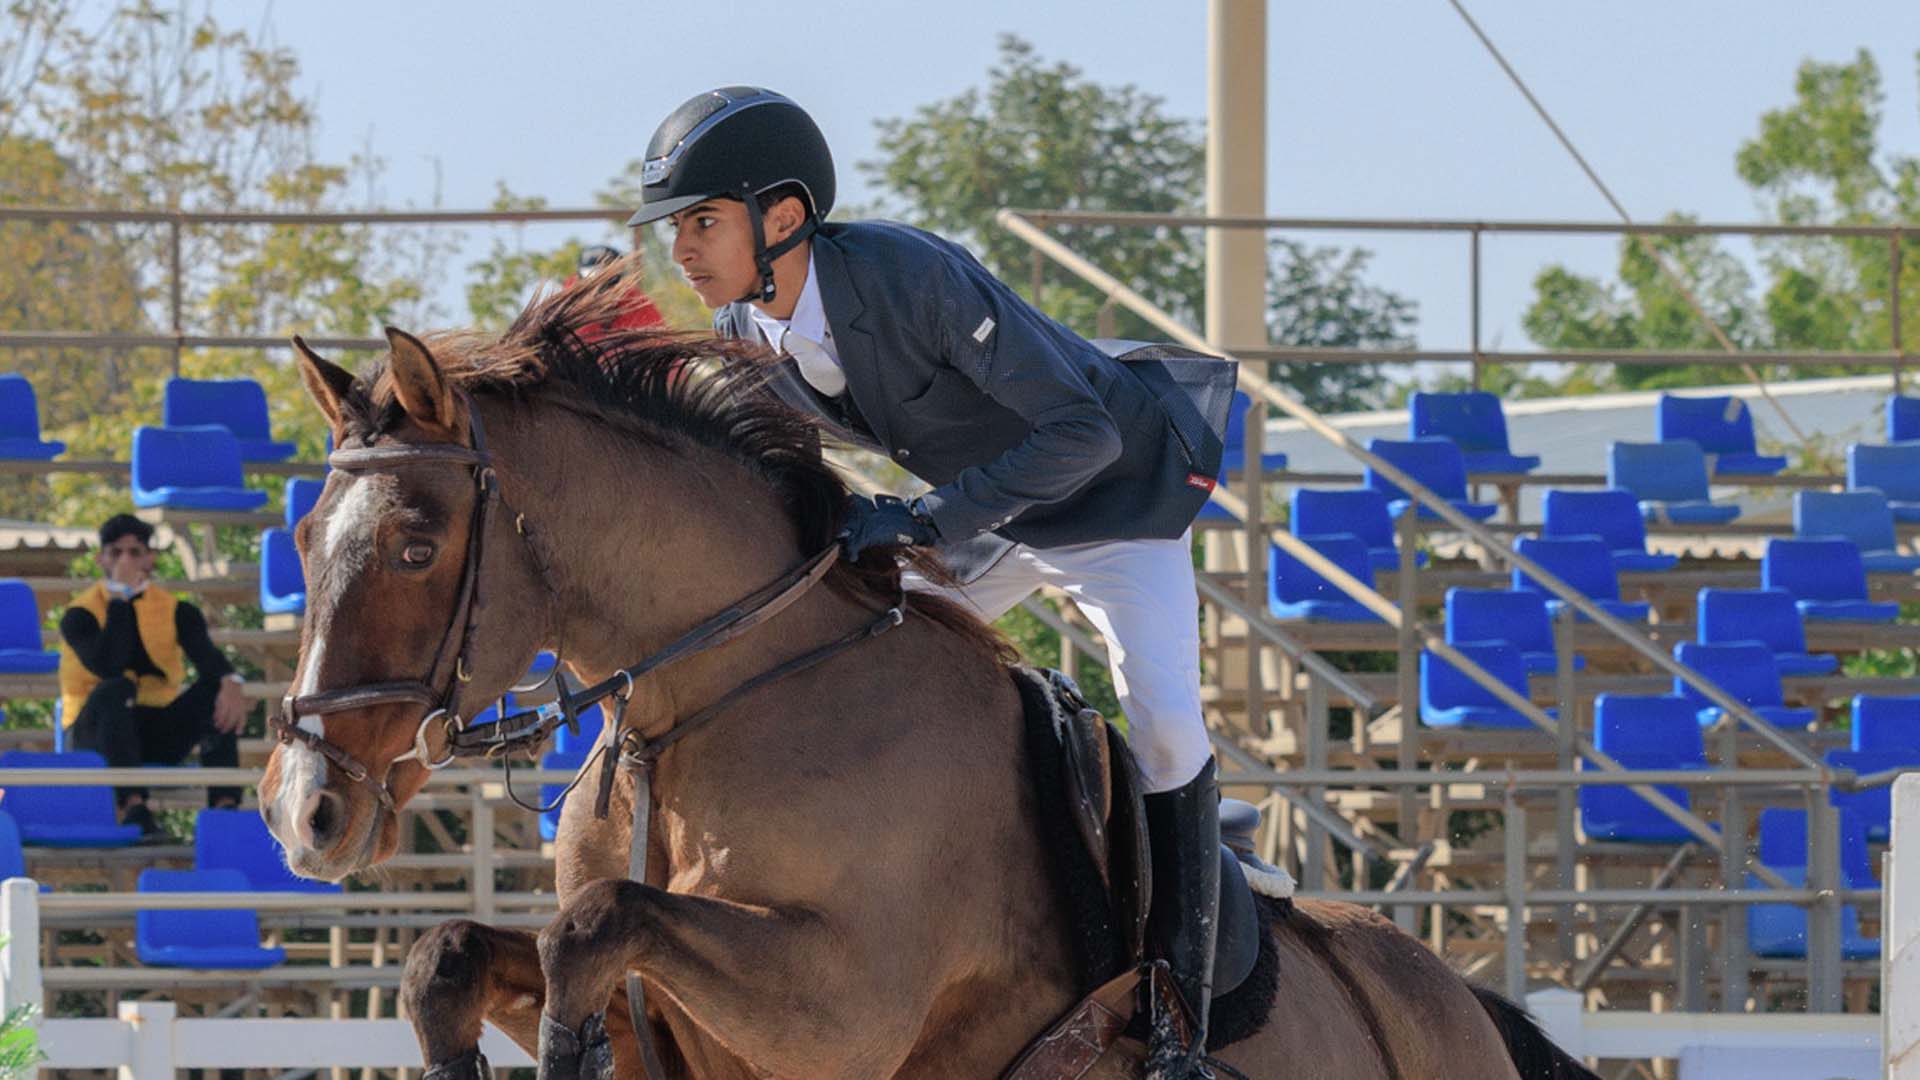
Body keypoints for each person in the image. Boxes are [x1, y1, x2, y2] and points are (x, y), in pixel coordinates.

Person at [627, 86, 1239, 1075]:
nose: (683, 247)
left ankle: (1183, 1026)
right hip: (989, 514)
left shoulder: (909, 278)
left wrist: (925, 520)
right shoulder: (750, 333)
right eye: (676, 226)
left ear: (782, 219)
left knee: (1166, 722)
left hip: (1113, 505)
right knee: (861, 651)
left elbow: (1084, 433)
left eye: (702, 221)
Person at [57, 514, 246, 833]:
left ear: (150, 557)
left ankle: (224, 808)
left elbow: (207, 657)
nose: (126, 561)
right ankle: (134, 806)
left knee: (219, 689)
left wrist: (232, 682)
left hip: (152, 729)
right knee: (116, 687)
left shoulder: (178, 611)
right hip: (94, 732)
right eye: (116, 553)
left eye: (135, 552)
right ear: (101, 558)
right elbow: (109, 665)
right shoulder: (79, 614)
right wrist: (119, 598)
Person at [563, 243, 666, 337]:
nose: (599, 291)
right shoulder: (565, 311)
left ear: (621, 280)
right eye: (592, 283)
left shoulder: (638, 304)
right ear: (580, 281)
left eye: (608, 282)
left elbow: (661, 345)